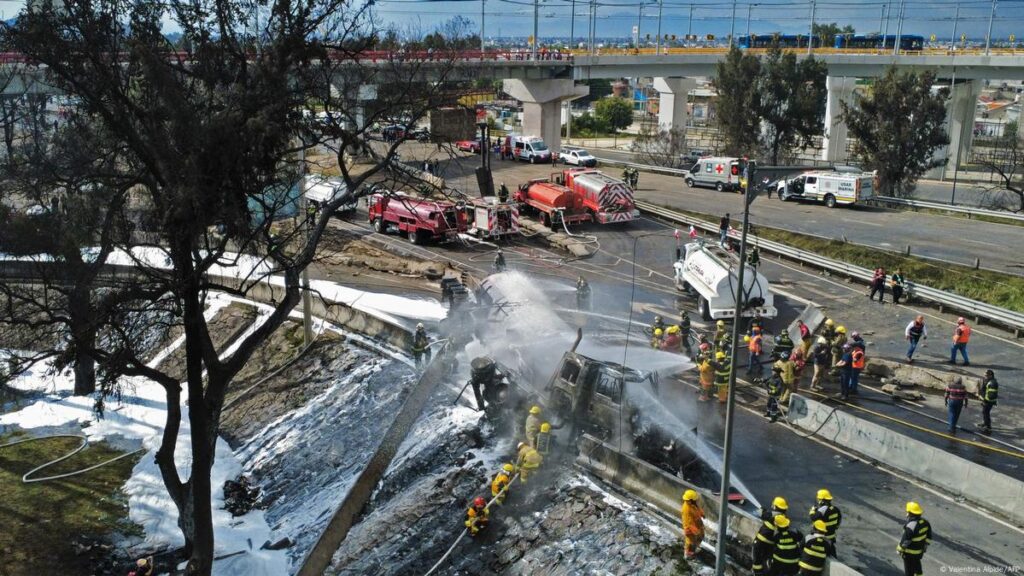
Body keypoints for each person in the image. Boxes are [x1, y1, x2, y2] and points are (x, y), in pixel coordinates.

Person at [754, 497, 789, 576]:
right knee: (766, 561)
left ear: (775, 507)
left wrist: (761, 510)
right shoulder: (784, 518)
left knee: (757, 561)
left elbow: (762, 514)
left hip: (760, 542)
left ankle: (757, 574)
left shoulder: (771, 515)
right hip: (771, 545)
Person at [897, 502, 931, 576]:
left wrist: (900, 549)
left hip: (909, 553)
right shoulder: (925, 522)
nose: (907, 514)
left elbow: (906, 540)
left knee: (909, 571)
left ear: (910, 513)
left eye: (908, 512)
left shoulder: (911, 526)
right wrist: (925, 546)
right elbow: (929, 537)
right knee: (917, 566)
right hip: (919, 552)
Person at [808, 489, 842, 556]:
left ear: (822, 501)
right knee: (832, 553)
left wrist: (812, 511)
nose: (818, 501)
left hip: (822, 536)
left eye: (819, 499)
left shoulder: (823, 509)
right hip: (831, 536)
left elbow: (813, 518)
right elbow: (838, 521)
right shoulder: (836, 509)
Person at [681, 489, 705, 559]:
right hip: (691, 530)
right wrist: (696, 531)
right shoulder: (686, 510)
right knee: (691, 543)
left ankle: (694, 549)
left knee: (701, 537)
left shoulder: (692, 504)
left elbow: (697, 509)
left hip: (697, 525)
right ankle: (688, 555)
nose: (696, 500)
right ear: (690, 500)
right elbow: (689, 523)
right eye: (695, 499)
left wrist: (702, 514)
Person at [978, 369, 999, 434]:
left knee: (986, 413)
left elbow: (991, 395)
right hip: (986, 400)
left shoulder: (992, 383)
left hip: (988, 401)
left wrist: (984, 400)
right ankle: (985, 423)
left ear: (990, 375)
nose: (985, 376)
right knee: (984, 412)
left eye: (986, 375)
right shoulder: (988, 380)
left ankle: (988, 427)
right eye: (985, 375)